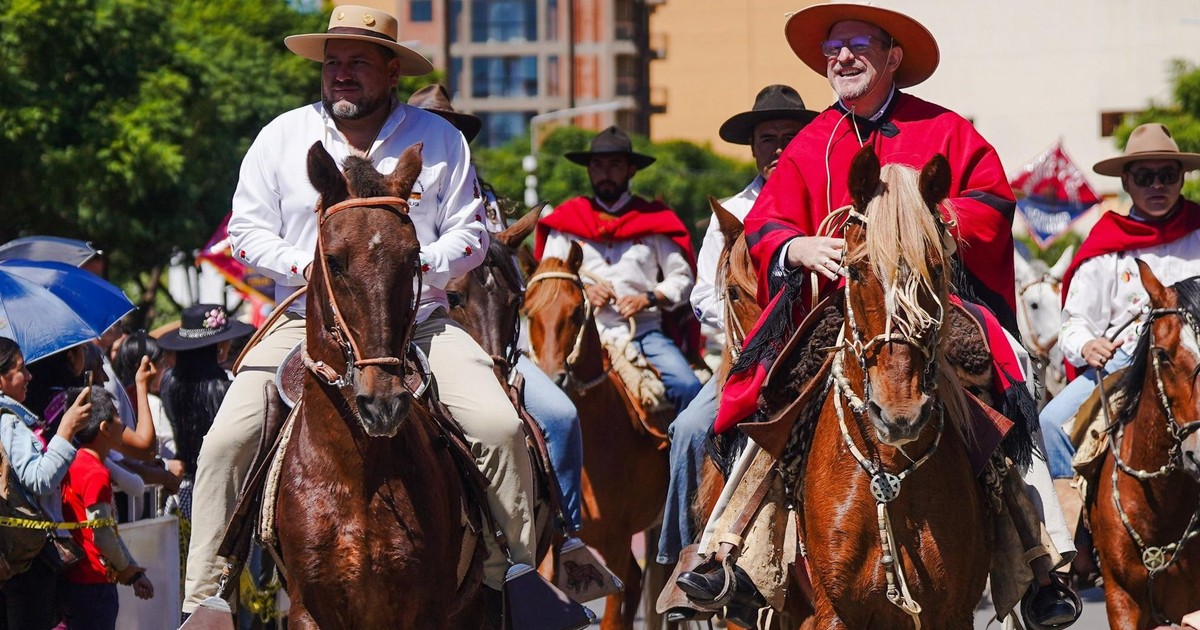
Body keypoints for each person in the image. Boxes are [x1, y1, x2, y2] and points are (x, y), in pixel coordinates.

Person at [682, 5, 1078, 627]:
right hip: (839, 308)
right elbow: (764, 225)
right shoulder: (815, 140)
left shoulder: (945, 129)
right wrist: (796, 246)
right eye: (832, 48)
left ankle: (1039, 558)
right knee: (766, 392)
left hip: (934, 305)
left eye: (856, 45)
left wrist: (937, 224)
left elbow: (992, 203)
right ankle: (727, 552)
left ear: (893, 58)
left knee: (1013, 370)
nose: (840, 57)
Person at [183, 6, 537, 614]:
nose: (342, 74)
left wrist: (406, 267)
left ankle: (517, 581)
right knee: (222, 445)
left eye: (358, 62)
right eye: (333, 63)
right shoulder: (281, 135)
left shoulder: (441, 139)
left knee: (501, 428)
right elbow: (243, 234)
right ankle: (205, 599)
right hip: (303, 318)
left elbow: (473, 237)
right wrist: (314, 268)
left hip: (419, 322)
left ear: (392, 71)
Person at [408, 83, 586, 533]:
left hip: (488, 339)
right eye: (432, 128)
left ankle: (566, 539)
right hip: (408, 334)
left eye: (452, 131)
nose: (443, 139)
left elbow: (505, 279)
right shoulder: (387, 192)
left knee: (562, 418)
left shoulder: (482, 200)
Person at [657, 85, 818, 568]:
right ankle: (688, 555)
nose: (778, 147)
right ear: (753, 148)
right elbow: (704, 295)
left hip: (819, 348)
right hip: (747, 357)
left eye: (790, 136)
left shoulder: (824, 200)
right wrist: (749, 328)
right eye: (767, 138)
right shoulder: (730, 212)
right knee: (687, 428)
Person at [1041, 124, 1200, 484]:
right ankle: (1076, 531)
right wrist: (1087, 344)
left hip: (1194, 361)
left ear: (1182, 178)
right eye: (1145, 176)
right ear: (1127, 181)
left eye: (1167, 175)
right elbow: (1074, 321)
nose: (1156, 185)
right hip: (1123, 363)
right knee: (1051, 422)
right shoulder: (1106, 244)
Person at [534, 126, 702, 413]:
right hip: (578, 334)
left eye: (614, 165)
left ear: (631, 170)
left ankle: (685, 459)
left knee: (689, 387)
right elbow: (546, 283)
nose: (605, 172)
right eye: (597, 165)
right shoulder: (566, 221)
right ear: (589, 171)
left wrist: (648, 298)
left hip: (642, 333)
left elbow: (683, 278)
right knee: (534, 393)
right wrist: (585, 291)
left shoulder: (655, 220)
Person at [0, 338, 91, 629]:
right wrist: (66, 430)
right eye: (20, 369)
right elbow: (39, 479)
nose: (29, 376)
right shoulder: (8, 422)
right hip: (23, 563)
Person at [59, 385, 155, 630]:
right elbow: (102, 534)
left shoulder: (72, 461)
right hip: (95, 584)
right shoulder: (96, 473)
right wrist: (126, 570)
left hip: (73, 580)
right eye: (116, 415)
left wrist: (132, 572)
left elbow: (103, 527)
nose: (122, 422)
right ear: (104, 428)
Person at [156, 304, 253, 521]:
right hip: (223, 488)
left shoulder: (169, 383)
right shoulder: (228, 387)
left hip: (186, 487)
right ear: (219, 346)